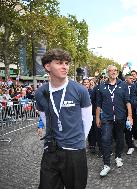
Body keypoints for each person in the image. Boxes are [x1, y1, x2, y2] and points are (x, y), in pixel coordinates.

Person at [35, 48, 92, 189]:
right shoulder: (40, 93)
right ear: (48, 66)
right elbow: (45, 119)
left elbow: (87, 120)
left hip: (74, 152)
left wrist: (78, 141)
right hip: (51, 150)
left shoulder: (80, 90)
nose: (65, 67)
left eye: (66, 63)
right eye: (60, 63)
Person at [96, 65, 133, 177]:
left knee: (120, 138)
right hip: (106, 118)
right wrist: (97, 117)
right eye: (110, 71)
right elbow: (98, 104)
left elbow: (128, 101)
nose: (113, 72)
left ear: (117, 72)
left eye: (115, 70)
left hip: (120, 117)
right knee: (105, 139)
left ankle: (118, 156)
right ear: (107, 73)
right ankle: (106, 164)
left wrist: (130, 116)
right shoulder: (101, 87)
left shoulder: (123, 85)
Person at [124, 73, 135, 155]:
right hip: (124, 111)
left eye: (133, 78)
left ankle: (135, 138)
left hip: (135, 110)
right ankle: (130, 146)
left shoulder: (135, 86)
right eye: (130, 78)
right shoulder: (122, 87)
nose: (132, 79)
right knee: (128, 129)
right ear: (126, 79)